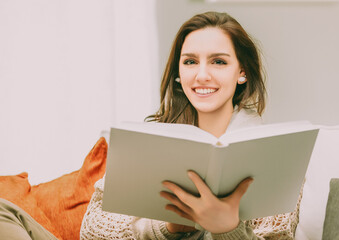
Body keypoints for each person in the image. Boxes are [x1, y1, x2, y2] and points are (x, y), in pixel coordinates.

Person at [0, 11, 298, 240]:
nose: (202, 75)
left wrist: (226, 229)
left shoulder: (272, 154)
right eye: (191, 62)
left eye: (218, 62)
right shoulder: (150, 139)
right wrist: (166, 227)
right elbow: (93, 232)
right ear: (179, 75)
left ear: (242, 72)